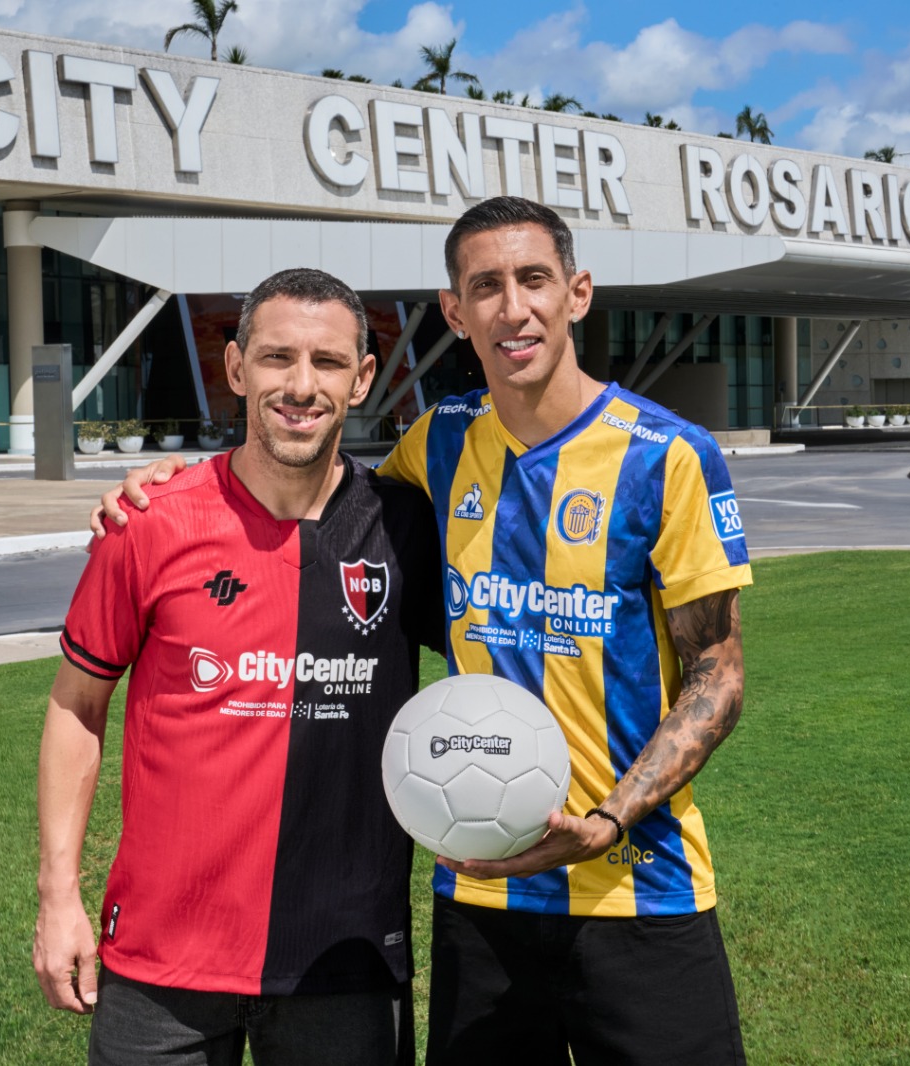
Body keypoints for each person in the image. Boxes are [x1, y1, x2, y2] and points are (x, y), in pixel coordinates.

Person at [95, 196, 753, 1065]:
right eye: (485, 286)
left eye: (534, 280)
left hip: (643, 889)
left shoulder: (669, 455)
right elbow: (311, 480)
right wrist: (179, 482)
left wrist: (608, 817)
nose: (512, 308)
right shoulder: (441, 443)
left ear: (578, 292)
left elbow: (718, 670)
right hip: (481, 894)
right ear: (454, 312)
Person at [37, 267, 442, 1065]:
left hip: (345, 956)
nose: (300, 385)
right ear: (234, 369)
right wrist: (58, 897)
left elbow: (503, 656)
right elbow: (75, 707)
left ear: (363, 379)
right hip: (161, 963)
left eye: (327, 363)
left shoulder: (405, 530)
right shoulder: (150, 524)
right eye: (276, 358)